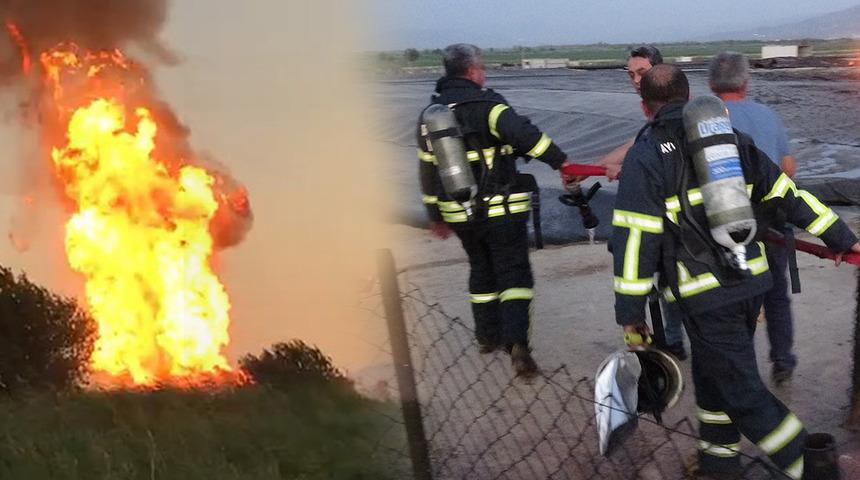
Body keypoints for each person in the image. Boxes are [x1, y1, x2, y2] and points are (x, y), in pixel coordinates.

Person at [611, 64, 860, 478]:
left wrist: (630, 312)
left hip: (704, 295)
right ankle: (718, 462)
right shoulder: (730, 140)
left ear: (644, 107)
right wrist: (840, 236)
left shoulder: (647, 153)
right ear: (689, 97)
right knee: (714, 375)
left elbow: (635, 237)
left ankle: (816, 469)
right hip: (751, 282)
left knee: (742, 392)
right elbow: (785, 193)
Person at [417, 44, 574, 379]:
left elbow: (427, 169)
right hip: (501, 209)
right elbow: (527, 137)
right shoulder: (489, 106)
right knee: (513, 272)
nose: (484, 74)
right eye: (483, 68)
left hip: (459, 212)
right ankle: (517, 344)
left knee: (480, 267)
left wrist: (434, 215)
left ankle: (487, 337)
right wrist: (561, 162)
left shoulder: (431, 116)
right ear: (472, 71)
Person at [593, 45, 689, 360]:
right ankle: (672, 339)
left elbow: (651, 152)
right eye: (631, 74)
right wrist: (598, 166)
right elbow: (637, 143)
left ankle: (672, 339)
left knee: (669, 279)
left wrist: (632, 168)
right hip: (669, 222)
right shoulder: (656, 120)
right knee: (666, 281)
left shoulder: (674, 116)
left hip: (677, 224)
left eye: (642, 73)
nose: (635, 81)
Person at [708, 51, 798, 385]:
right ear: (746, 81)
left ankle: (741, 368)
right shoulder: (767, 115)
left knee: (735, 297)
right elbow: (788, 168)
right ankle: (783, 361)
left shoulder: (706, 121)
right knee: (776, 294)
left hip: (727, 224)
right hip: (772, 221)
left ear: (710, 84)